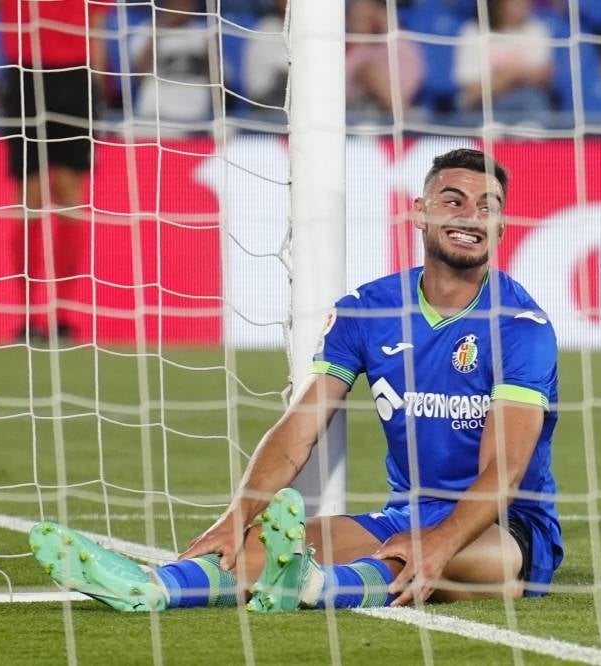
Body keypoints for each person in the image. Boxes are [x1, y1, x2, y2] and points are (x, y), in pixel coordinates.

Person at [29, 148, 563, 611]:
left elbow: (505, 470)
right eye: (454, 201)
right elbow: (299, 428)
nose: (471, 216)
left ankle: (317, 586)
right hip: (408, 513)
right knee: (261, 545)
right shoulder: (367, 310)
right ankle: (151, 586)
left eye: (487, 207)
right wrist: (235, 517)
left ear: (500, 226)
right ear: (419, 213)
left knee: (471, 563)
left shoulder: (520, 327)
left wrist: (441, 541)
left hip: (509, 529)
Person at [0, 0, 108, 343]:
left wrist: (100, 90)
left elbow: (97, 28)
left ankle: (61, 314)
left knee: (68, 196)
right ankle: (27, 313)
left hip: (76, 78)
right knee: (29, 199)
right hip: (26, 75)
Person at [453, 0, 554, 122]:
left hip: (528, 105)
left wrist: (501, 77)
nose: (525, 4)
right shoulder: (472, 32)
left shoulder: (537, 29)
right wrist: (517, 73)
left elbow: (543, 76)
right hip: (482, 108)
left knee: (533, 99)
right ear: (498, 4)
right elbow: (473, 91)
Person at [130, 0, 214, 126]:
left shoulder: (205, 33)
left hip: (195, 115)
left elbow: (221, 82)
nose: (181, 8)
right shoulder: (147, 30)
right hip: (154, 114)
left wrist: (210, 53)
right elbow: (138, 75)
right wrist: (158, 33)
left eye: (186, 4)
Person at [345, 0, 424, 120]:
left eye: (365, 17)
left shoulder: (399, 46)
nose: (359, 23)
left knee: (372, 72)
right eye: (356, 18)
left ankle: (402, 120)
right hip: (355, 111)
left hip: (393, 109)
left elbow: (410, 80)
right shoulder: (350, 52)